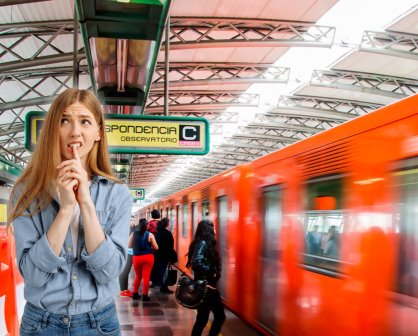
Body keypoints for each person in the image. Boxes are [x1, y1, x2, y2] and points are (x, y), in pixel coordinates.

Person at [8, 88, 133, 336]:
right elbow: (32, 274)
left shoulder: (117, 194)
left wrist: (86, 204)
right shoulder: (27, 192)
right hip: (41, 325)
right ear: (54, 128)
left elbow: (109, 272)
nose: (75, 131)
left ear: (98, 132)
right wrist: (66, 209)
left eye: (85, 121)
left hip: (100, 323)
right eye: (64, 120)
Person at [186, 220, 226, 336]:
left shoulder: (201, 242)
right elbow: (197, 262)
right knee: (218, 316)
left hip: (205, 286)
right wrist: (211, 270)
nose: (214, 230)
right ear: (208, 230)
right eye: (213, 227)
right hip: (206, 286)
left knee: (202, 318)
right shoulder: (203, 243)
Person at [129, 218, 158, 301]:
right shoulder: (150, 235)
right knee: (146, 277)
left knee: (138, 276)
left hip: (136, 258)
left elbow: (129, 245)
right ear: (147, 226)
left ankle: (135, 293)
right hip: (148, 258)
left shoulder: (133, 234)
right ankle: (145, 296)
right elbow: (156, 247)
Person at [155, 217, 177, 294]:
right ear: (166, 224)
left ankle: (161, 284)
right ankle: (163, 287)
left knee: (160, 270)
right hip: (165, 256)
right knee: (164, 271)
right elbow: (170, 246)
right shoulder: (167, 233)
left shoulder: (157, 232)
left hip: (158, 255)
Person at [119, 216, 136, 297]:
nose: (132, 222)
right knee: (125, 271)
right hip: (127, 252)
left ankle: (125, 289)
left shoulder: (134, 229)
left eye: (133, 220)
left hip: (131, 252)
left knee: (127, 270)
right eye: (131, 220)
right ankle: (123, 290)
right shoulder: (124, 229)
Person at [147, 209, 160, 286]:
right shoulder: (162, 224)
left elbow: (147, 235)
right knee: (159, 264)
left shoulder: (149, 224)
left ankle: (152, 281)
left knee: (152, 264)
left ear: (152, 216)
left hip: (151, 247)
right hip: (160, 247)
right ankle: (159, 280)